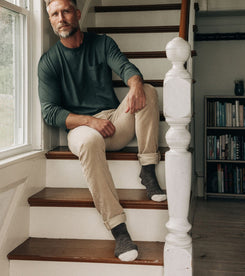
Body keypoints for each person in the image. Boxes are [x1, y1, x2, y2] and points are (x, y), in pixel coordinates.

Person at [38, 0, 166, 262]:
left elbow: (126, 68)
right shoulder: (49, 62)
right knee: (88, 142)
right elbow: (50, 112)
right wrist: (88, 121)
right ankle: (118, 229)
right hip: (82, 130)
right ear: (51, 21)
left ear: (76, 13)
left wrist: (135, 83)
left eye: (65, 11)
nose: (60, 18)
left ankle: (148, 170)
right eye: (54, 14)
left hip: (114, 123)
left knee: (149, 91)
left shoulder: (102, 43)